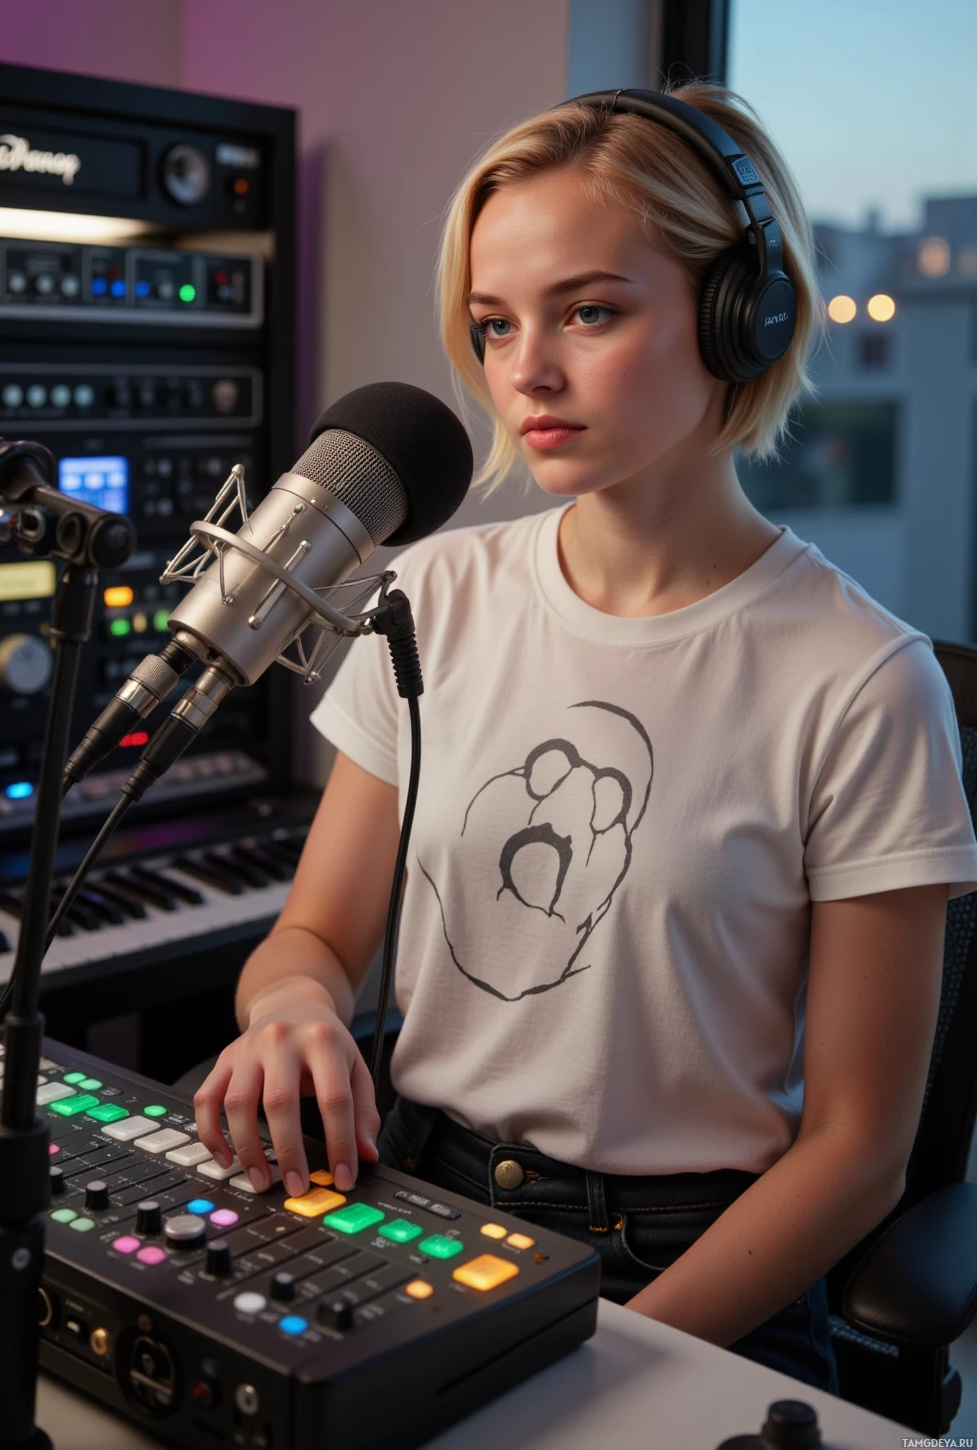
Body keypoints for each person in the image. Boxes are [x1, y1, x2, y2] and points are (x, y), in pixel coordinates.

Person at [193, 81, 977, 1393]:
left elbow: (856, 1150)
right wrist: (288, 1015)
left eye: (589, 312)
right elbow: (314, 940)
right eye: (495, 325)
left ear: (742, 316)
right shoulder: (426, 597)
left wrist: (605, 1360)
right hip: (414, 1196)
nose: (525, 374)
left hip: (694, 1269)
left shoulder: (866, 681)